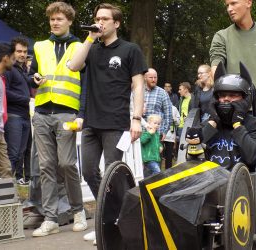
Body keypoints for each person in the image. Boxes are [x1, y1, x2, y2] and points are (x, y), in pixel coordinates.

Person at [68, 3, 147, 244]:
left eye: (105, 19)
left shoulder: (130, 50)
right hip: (92, 122)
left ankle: (119, 222)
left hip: (116, 123)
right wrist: (90, 38)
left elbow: (138, 85)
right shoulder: (91, 48)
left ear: (117, 23)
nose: (100, 22)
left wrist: (136, 118)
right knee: (90, 171)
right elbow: (73, 65)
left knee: (114, 174)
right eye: (97, 18)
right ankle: (109, 218)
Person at [29, 2, 87, 237]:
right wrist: (33, 78)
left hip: (67, 113)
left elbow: (86, 84)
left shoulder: (81, 47)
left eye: (59, 19)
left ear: (69, 21)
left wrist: (82, 114)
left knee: (66, 164)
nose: (54, 22)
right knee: (45, 167)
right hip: (42, 113)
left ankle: (79, 212)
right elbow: (30, 74)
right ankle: (50, 218)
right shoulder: (40, 46)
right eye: (52, 19)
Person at [210, 0, 256, 128]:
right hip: (233, 112)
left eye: (234, 3)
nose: (229, 9)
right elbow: (216, 67)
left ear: (248, 3)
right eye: (227, 5)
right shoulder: (221, 36)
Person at [203, 65, 256, 171]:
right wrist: (212, 123)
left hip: (241, 182)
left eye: (233, 95)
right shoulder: (209, 124)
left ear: (245, 99)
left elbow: (254, 159)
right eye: (222, 95)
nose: (226, 99)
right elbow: (192, 156)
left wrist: (237, 123)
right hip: (210, 181)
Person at [3, 37, 31, 184]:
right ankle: (3, 189)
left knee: (20, 154)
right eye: (19, 51)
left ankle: (8, 189)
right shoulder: (9, 69)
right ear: (12, 52)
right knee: (13, 155)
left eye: (25, 51)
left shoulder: (22, 70)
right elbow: (4, 91)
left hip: (25, 116)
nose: (22, 54)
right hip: (13, 116)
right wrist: (25, 99)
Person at [0, 43, 14, 179]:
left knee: (6, 169)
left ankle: (9, 200)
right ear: (5, 58)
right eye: (12, 58)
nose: (14, 61)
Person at [143, 68, 172, 141]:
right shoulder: (139, 91)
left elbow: (168, 114)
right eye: (151, 77)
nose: (153, 80)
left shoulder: (162, 93)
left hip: (157, 134)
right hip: (141, 133)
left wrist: (164, 131)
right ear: (145, 78)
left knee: (156, 152)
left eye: (155, 77)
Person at [162, 104, 180, 169]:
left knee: (169, 155)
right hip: (160, 134)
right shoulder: (160, 106)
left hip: (170, 135)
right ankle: (156, 172)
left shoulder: (174, 108)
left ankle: (168, 171)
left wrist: (174, 119)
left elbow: (178, 122)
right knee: (159, 154)